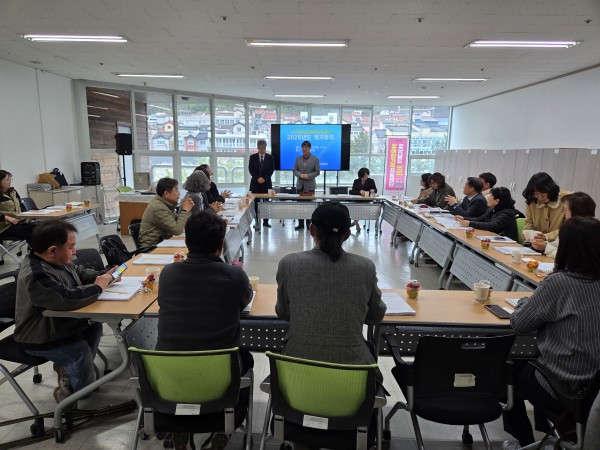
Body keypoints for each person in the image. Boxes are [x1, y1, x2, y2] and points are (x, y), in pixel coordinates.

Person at [157, 211, 253, 450]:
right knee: (247, 361)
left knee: (188, 369)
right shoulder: (234, 275)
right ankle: (224, 428)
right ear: (221, 245)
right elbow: (245, 301)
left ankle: (180, 426)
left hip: (169, 375)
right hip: (218, 375)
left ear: (187, 242)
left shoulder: (168, 274)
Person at [501, 216, 600, 449]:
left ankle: (525, 441)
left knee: (507, 373)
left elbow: (519, 324)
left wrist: (524, 302)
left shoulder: (559, 283)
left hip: (566, 384)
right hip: (594, 389)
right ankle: (557, 432)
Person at [14, 220, 115, 403]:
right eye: (71, 247)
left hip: (60, 324)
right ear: (52, 250)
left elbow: (81, 273)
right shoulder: (36, 274)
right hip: (39, 335)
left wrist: (105, 275)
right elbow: (66, 298)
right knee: (80, 352)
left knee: (94, 327)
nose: (74, 251)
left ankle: (72, 374)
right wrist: (98, 288)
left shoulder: (57, 260)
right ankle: (76, 395)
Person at [276, 202, 386, 364]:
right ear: (347, 235)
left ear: (311, 229)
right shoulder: (365, 267)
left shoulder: (289, 264)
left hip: (296, 367)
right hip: (353, 370)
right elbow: (375, 316)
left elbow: (283, 313)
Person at [530, 192, 596, 258]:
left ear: (577, 211)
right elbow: (559, 245)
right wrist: (542, 243)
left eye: (566, 209)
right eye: (563, 209)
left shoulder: (585, 231)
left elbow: (569, 257)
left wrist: (545, 247)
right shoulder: (570, 226)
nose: (563, 213)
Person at [138, 177, 194, 248]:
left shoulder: (166, 204)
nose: (179, 193)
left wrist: (185, 209)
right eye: (176, 190)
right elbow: (177, 230)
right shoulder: (158, 207)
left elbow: (176, 223)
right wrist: (185, 211)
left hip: (161, 242)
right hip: (151, 248)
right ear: (166, 193)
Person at [521, 172, 570, 243]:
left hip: (559, 244)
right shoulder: (532, 200)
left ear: (550, 189)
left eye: (543, 193)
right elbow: (528, 222)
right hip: (536, 243)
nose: (540, 197)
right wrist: (528, 234)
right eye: (536, 194)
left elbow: (569, 228)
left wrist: (546, 236)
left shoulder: (566, 199)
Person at [0, 169, 36, 245]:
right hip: (4, 227)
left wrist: (26, 216)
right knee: (32, 229)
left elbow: (20, 206)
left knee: (38, 226)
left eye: (10, 179)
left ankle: (37, 250)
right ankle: (38, 251)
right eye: (7, 180)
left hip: (17, 222)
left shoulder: (13, 192)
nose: (9, 182)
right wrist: (6, 217)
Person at [293, 140, 321, 230]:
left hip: (310, 186)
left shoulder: (315, 159)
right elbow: (294, 170)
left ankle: (309, 224)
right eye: (303, 147)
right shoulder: (298, 159)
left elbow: (317, 172)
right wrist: (300, 175)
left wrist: (308, 176)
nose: (304, 149)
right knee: (299, 206)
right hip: (300, 186)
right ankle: (300, 224)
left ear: (310, 148)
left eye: (306, 147)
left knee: (309, 206)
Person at [248, 139, 275, 228]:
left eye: (264, 148)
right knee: (256, 203)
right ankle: (256, 222)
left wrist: (264, 178)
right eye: (261, 148)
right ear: (258, 148)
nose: (263, 150)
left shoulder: (270, 157)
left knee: (266, 203)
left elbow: (271, 170)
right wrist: (257, 178)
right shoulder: (253, 157)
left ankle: (266, 222)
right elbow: (251, 169)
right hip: (255, 184)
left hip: (266, 183)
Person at [349, 167, 378, 233]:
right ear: (360, 176)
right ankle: (356, 223)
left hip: (367, 201)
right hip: (357, 201)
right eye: (364, 176)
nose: (365, 177)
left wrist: (373, 190)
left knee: (361, 208)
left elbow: (375, 190)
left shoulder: (371, 181)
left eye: (366, 175)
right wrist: (359, 192)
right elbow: (352, 191)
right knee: (355, 208)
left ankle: (355, 222)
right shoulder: (356, 181)